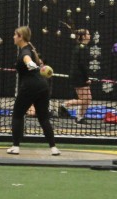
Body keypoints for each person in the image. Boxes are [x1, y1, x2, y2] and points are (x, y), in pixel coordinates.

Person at [8, 26, 59, 156]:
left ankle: (15, 147)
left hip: (30, 86)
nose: (13, 37)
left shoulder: (25, 51)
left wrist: (30, 64)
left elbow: (27, 58)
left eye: (15, 35)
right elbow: (33, 60)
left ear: (21, 37)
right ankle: (54, 148)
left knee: (17, 115)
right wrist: (34, 65)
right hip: (43, 86)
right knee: (43, 118)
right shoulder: (31, 49)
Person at [59, 29, 92, 124]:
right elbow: (82, 65)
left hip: (78, 76)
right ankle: (64, 105)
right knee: (85, 99)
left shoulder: (80, 47)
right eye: (88, 34)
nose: (90, 35)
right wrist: (87, 78)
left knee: (87, 99)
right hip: (79, 77)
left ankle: (79, 118)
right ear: (84, 36)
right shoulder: (83, 48)